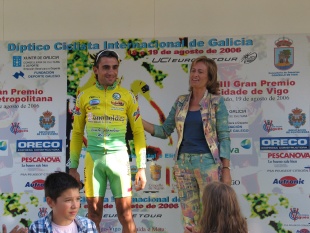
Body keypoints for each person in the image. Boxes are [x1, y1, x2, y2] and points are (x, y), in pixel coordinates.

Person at [142, 56, 231, 229]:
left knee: (212, 214)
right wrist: (136, 120)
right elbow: (164, 131)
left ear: (210, 77)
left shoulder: (216, 102)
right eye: (193, 70)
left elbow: (224, 137)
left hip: (208, 164)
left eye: (200, 71)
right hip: (183, 165)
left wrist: (226, 169)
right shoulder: (181, 101)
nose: (195, 74)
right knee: (189, 219)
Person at [69, 49, 147, 232]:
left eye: (114, 67)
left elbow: (138, 132)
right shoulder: (84, 96)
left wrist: (142, 167)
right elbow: (77, 133)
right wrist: (73, 167)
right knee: (93, 215)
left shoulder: (128, 96)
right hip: (94, 159)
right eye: (105, 67)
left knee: (126, 215)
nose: (110, 72)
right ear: (96, 70)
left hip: (119, 159)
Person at [28, 172, 98, 233]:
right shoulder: (37, 228)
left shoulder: (88, 225)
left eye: (78, 199)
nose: (75, 206)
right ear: (50, 202)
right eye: (68, 200)